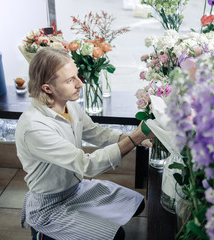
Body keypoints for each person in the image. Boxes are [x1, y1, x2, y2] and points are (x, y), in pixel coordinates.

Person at [15, 48, 154, 240]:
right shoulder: (34, 127)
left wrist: (133, 138)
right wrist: (135, 138)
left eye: (77, 75)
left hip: (76, 190)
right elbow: (86, 164)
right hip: (48, 207)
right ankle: (43, 233)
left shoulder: (68, 105)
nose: (80, 83)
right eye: (70, 80)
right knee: (117, 236)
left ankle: (83, 223)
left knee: (137, 204)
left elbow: (97, 132)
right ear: (47, 88)